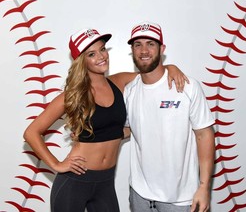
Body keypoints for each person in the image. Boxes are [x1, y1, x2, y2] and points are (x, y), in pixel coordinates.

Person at [23, 27, 187, 212]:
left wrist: (171, 67)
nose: (101, 56)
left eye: (102, 49)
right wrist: (56, 164)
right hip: (74, 181)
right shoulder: (72, 95)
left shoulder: (119, 81)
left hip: (106, 183)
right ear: (81, 61)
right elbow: (31, 132)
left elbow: (152, 75)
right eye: (92, 54)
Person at [124, 21, 215, 212]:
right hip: (140, 194)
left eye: (151, 44)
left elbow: (204, 135)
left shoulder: (188, 86)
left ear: (162, 48)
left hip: (180, 199)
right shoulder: (130, 90)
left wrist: (204, 187)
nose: (144, 50)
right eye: (137, 44)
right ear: (132, 50)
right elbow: (128, 128)